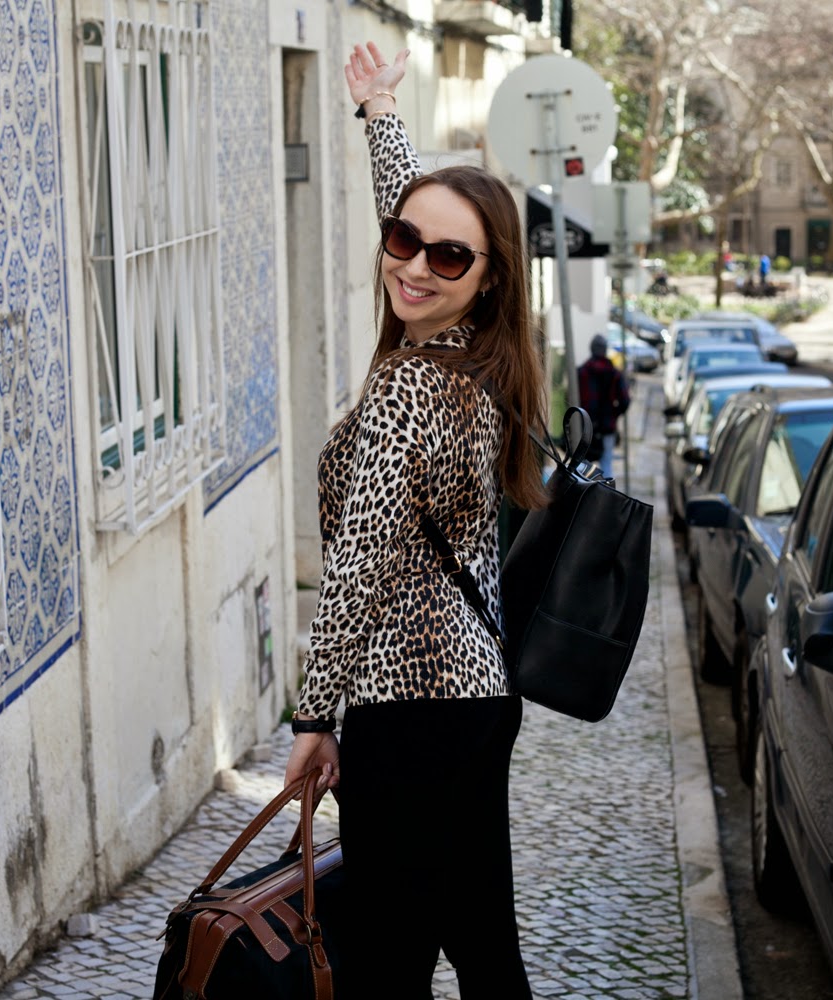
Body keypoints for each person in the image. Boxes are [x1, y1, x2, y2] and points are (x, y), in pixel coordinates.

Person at [283, 40, 545, 1000]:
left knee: (387, 964)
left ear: (489, 274)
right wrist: (380, 114)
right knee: (483, 946)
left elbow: (355, 569)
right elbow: (429, 223)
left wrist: (314, 717)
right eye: (404, 242)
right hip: (476, 699)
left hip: (410, 715)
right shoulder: (483, 357)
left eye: (449, 258)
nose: (417, 268)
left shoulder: (411, 389)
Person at [577, 333, 630, 478]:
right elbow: (625, 401)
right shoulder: (615, 374)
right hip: (607, 427)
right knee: (606, 466)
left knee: (582, 469)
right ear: (605, 350)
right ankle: (607, 492)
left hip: (585, 428)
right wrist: (613, 414)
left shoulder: (581, 372)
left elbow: (571, 398)